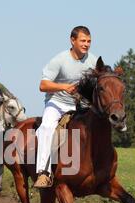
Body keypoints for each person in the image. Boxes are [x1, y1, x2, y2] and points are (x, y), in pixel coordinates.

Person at [34, 26, 98, 188]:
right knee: (46, 127)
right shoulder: (60, 60)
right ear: (73, 40)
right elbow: (43, 85)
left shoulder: (93, 61)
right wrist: (64, 87)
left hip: (81, 105)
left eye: (89, 41)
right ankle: (43, 173)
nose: (86, 44)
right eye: (83, 40)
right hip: (57, 103)